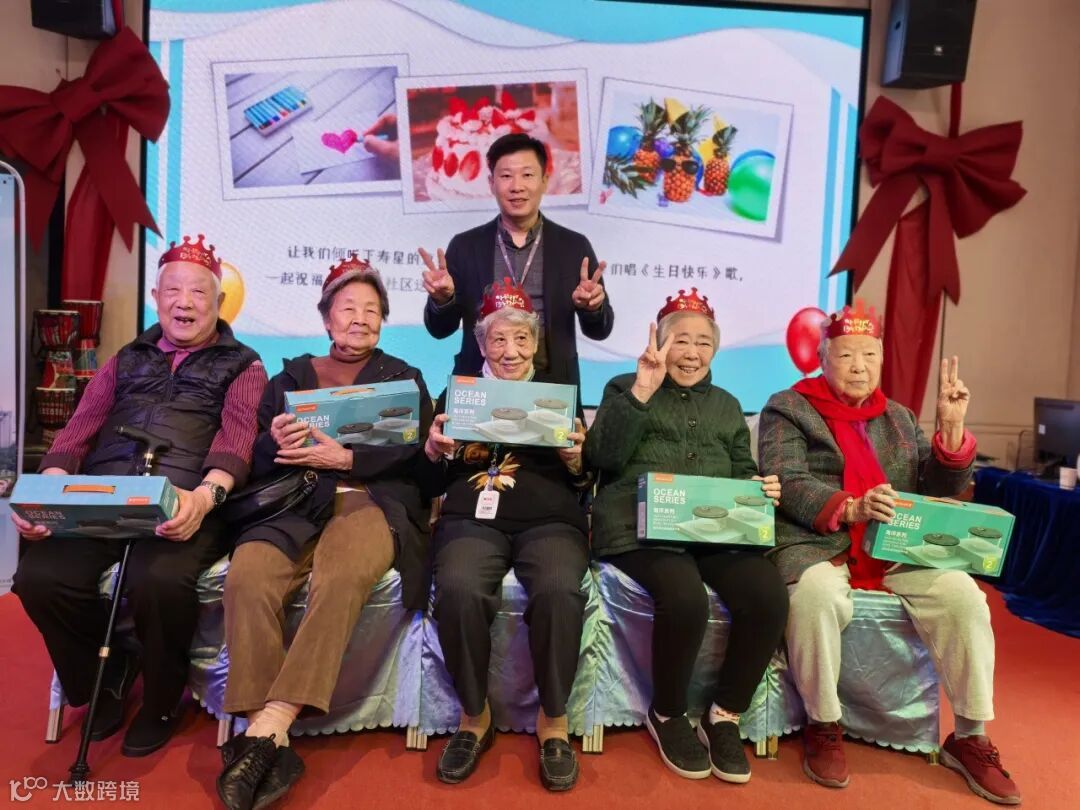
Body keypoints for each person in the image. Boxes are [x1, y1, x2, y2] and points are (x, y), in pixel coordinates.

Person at [757, 300, 1020, 805]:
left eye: (869, 355)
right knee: (814, 597)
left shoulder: (898, 417)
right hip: (821, 542)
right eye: (846, 355)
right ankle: (823, 724)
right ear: (822, 357)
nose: (859, 366)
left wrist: (951, 433)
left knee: (964, 596)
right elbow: (785, 479)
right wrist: (850, 507)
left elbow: (941, 488)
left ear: (881, 358)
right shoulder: (787, 407)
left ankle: (970, 735)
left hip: (897, 548)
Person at [12, 235, 266, 756]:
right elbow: (76, 433)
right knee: (38, 578)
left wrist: (203, 498)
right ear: (156, 297)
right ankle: (100, 680)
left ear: (219, 302)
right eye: (173, 290)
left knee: (160, 581)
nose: (184, 302)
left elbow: (237, 441)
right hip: (103, 496)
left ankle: (162, 701)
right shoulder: (126, 359)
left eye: (198, 292)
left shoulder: (244, 364)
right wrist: (46, 495)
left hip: (185, 502)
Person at [215, 257, 435, 810]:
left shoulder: (404, 379)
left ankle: (272, 721)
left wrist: (351, 458)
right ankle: (264, 731)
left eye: (371, 310)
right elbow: (258, 458)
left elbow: (421, 463)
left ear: (383, 319)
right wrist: (275, 441)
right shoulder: (289, 379)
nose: (360, 318)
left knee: (340, 577)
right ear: (326, 317)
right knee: (248, 575)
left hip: (370, 501)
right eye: (348, 308)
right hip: (293, 503)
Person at [584, 288, 787, 784]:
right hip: (639, 531)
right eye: (680, 340)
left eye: (703, 343)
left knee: (767, 594)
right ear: (659, 342)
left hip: (714, 531)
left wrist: (759, 488)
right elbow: (600, 458)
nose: (691, 353)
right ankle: (668, 713)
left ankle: (724, 716)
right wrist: (643, 390)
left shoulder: (727, 404)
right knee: (684, 596)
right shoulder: (623, 386)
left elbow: (740, 469)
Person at [422, 277, 591, 791]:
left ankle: (554, 720)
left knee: (559, 590)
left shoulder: (559, 397)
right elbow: (428, 480)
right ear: (481, 344)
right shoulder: (458, 394)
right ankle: (475, 717)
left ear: (535, 343)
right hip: (472, 518)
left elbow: (585, 478)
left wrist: (576, 460)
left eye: (521, 338)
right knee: (458, 588)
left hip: (549, 520)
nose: (510, 350)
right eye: (498, 339)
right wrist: (433, 453)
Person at [419, 132, 613, 389]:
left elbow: (600, 330)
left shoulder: (573, 246)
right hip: (481, 387)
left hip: (553, 389)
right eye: (506, 176)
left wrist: (592, 308)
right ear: (491, 183)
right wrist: (442, 300)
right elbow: (439, 330)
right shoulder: (465, 246)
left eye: (527, 175)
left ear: (544, 181)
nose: (517, 186)